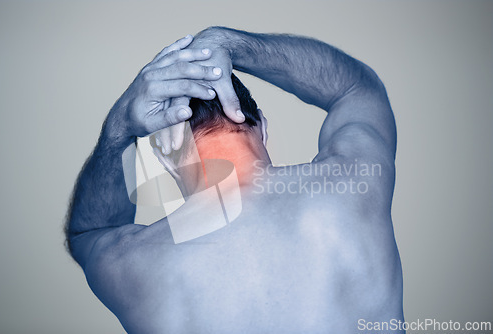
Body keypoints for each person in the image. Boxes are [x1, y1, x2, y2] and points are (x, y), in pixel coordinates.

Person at [65, 27, 403, 333]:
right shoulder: (351, 184)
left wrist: (120, 126)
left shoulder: (136, 263)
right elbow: (357, 89)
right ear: (264, 128)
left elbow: (88, 232)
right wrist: (232, 45)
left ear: (166, 155)